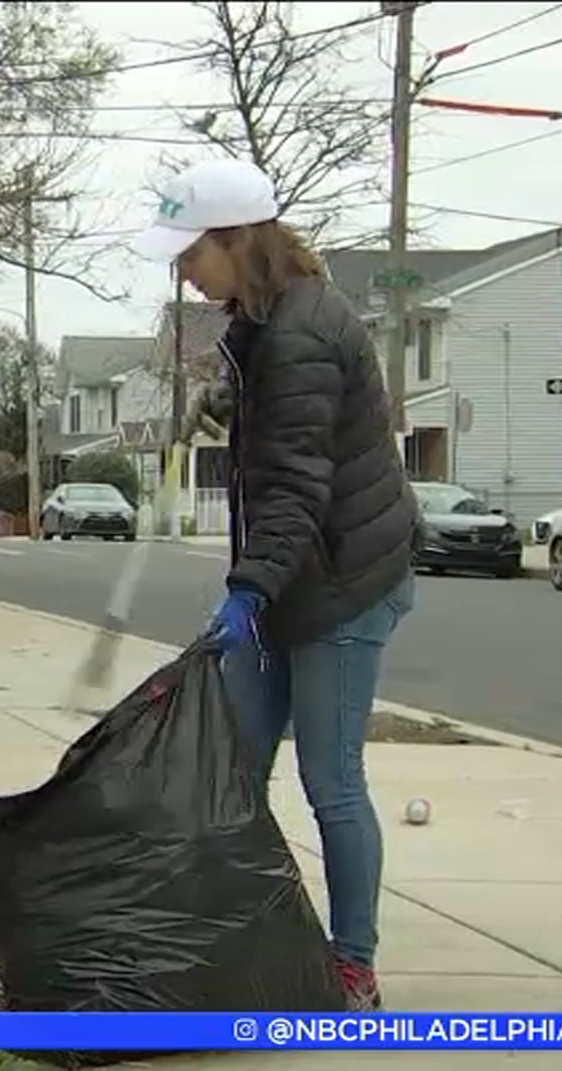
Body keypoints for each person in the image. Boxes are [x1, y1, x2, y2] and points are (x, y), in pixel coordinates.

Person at [134, 159, 419, 1011]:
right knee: (237, 764)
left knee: (331, 780)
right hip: (295, 569)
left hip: (344, 580)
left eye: (192, 255)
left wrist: (248, 593)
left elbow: (299, 491)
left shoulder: (300, 333)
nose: (184, 272)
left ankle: (352, 964)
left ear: (237, 242)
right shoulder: (264, 323)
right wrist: (225, 399)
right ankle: (233, 937)